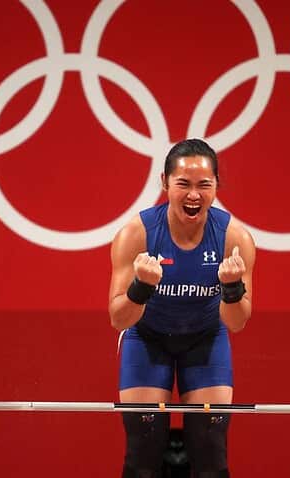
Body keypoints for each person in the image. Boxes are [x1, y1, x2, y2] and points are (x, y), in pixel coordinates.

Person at [108, 138, 256, 477]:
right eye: (183, 184)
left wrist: (231, 289)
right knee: (142, 455)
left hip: (205, 340)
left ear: (217, 185)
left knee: (210, 454)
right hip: (147, 340)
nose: (194, 195)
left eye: (204, 185)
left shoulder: (235, 239)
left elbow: (236, 323)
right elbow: (119, 318)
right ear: (164, 183)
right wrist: (141, 286)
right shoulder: (137, 234)